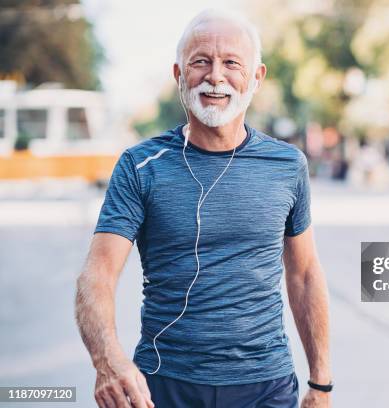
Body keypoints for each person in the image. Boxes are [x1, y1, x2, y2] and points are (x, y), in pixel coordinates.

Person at [75, 9, 332, 408]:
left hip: (265, 386)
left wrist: (321, 382)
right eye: (201, 62)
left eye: (232, 63)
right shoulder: (140, 166)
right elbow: (98, 274)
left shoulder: (288, 165)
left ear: (257, 78)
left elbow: (304, 274)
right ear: (179, 75)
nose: (216, 76)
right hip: (164, 384)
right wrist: (107, 363)